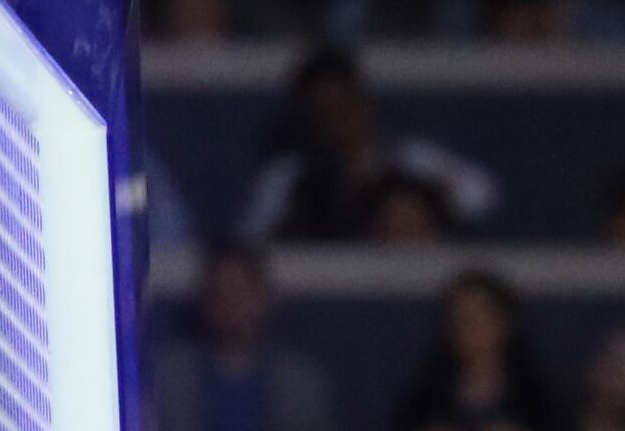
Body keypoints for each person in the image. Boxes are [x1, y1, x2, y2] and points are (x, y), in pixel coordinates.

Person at [237, 46, 498, 243]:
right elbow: (252, 238)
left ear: (363, 103)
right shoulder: (287, 177)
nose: (337, 120)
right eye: (322, 112)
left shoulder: (410, 157)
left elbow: (481, 194)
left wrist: (408, 193)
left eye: (343, 106)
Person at [149, 239, 336, 431]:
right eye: (220, 294)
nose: (231, 306)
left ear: (262, 297)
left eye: (240, 294)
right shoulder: (169, 378)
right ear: (204, 299)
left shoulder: (300, 382)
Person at [390, 268, 568, 431]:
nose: (468, 329)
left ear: (505, 322)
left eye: (478, 317)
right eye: (458, 319)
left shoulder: (539, 401)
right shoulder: (426, 401)